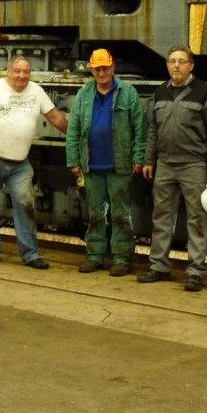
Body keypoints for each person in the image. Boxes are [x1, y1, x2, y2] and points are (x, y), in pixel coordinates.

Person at [0, 56, 68, 269]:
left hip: (19, 162)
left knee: (26, 205)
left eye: (26, 72)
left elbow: (55, 117)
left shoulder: (36, 91)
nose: (22, 76)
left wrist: (77, 135)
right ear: (8, 71)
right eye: (17, 71)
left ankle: (30, 255)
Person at [139, 46, 207, 292]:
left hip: (194, 165)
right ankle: (159, 267)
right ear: (167, 65)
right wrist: (149, 160)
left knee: (197, 218)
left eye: (181, 61)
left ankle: (196, 272)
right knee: (161, 217)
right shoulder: (159, 93)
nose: (176, 65)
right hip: (165, 164)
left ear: (191, 66)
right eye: (172, 61)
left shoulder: (204, 93)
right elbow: (152, 130)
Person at [65, 48, 145, 277]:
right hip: (91, 165)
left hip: (120, 165)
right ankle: (95, 256)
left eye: (105, 68)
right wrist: (73, 160)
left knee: (121, 214)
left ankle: (122, 258)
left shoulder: (127, 92)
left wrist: (138, 157)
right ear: (91, 69)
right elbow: (74, 129)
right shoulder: (84, 94)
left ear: (113, 68)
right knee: (95, 214)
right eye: (97, 69)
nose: (102, 73)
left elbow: (140, 128)